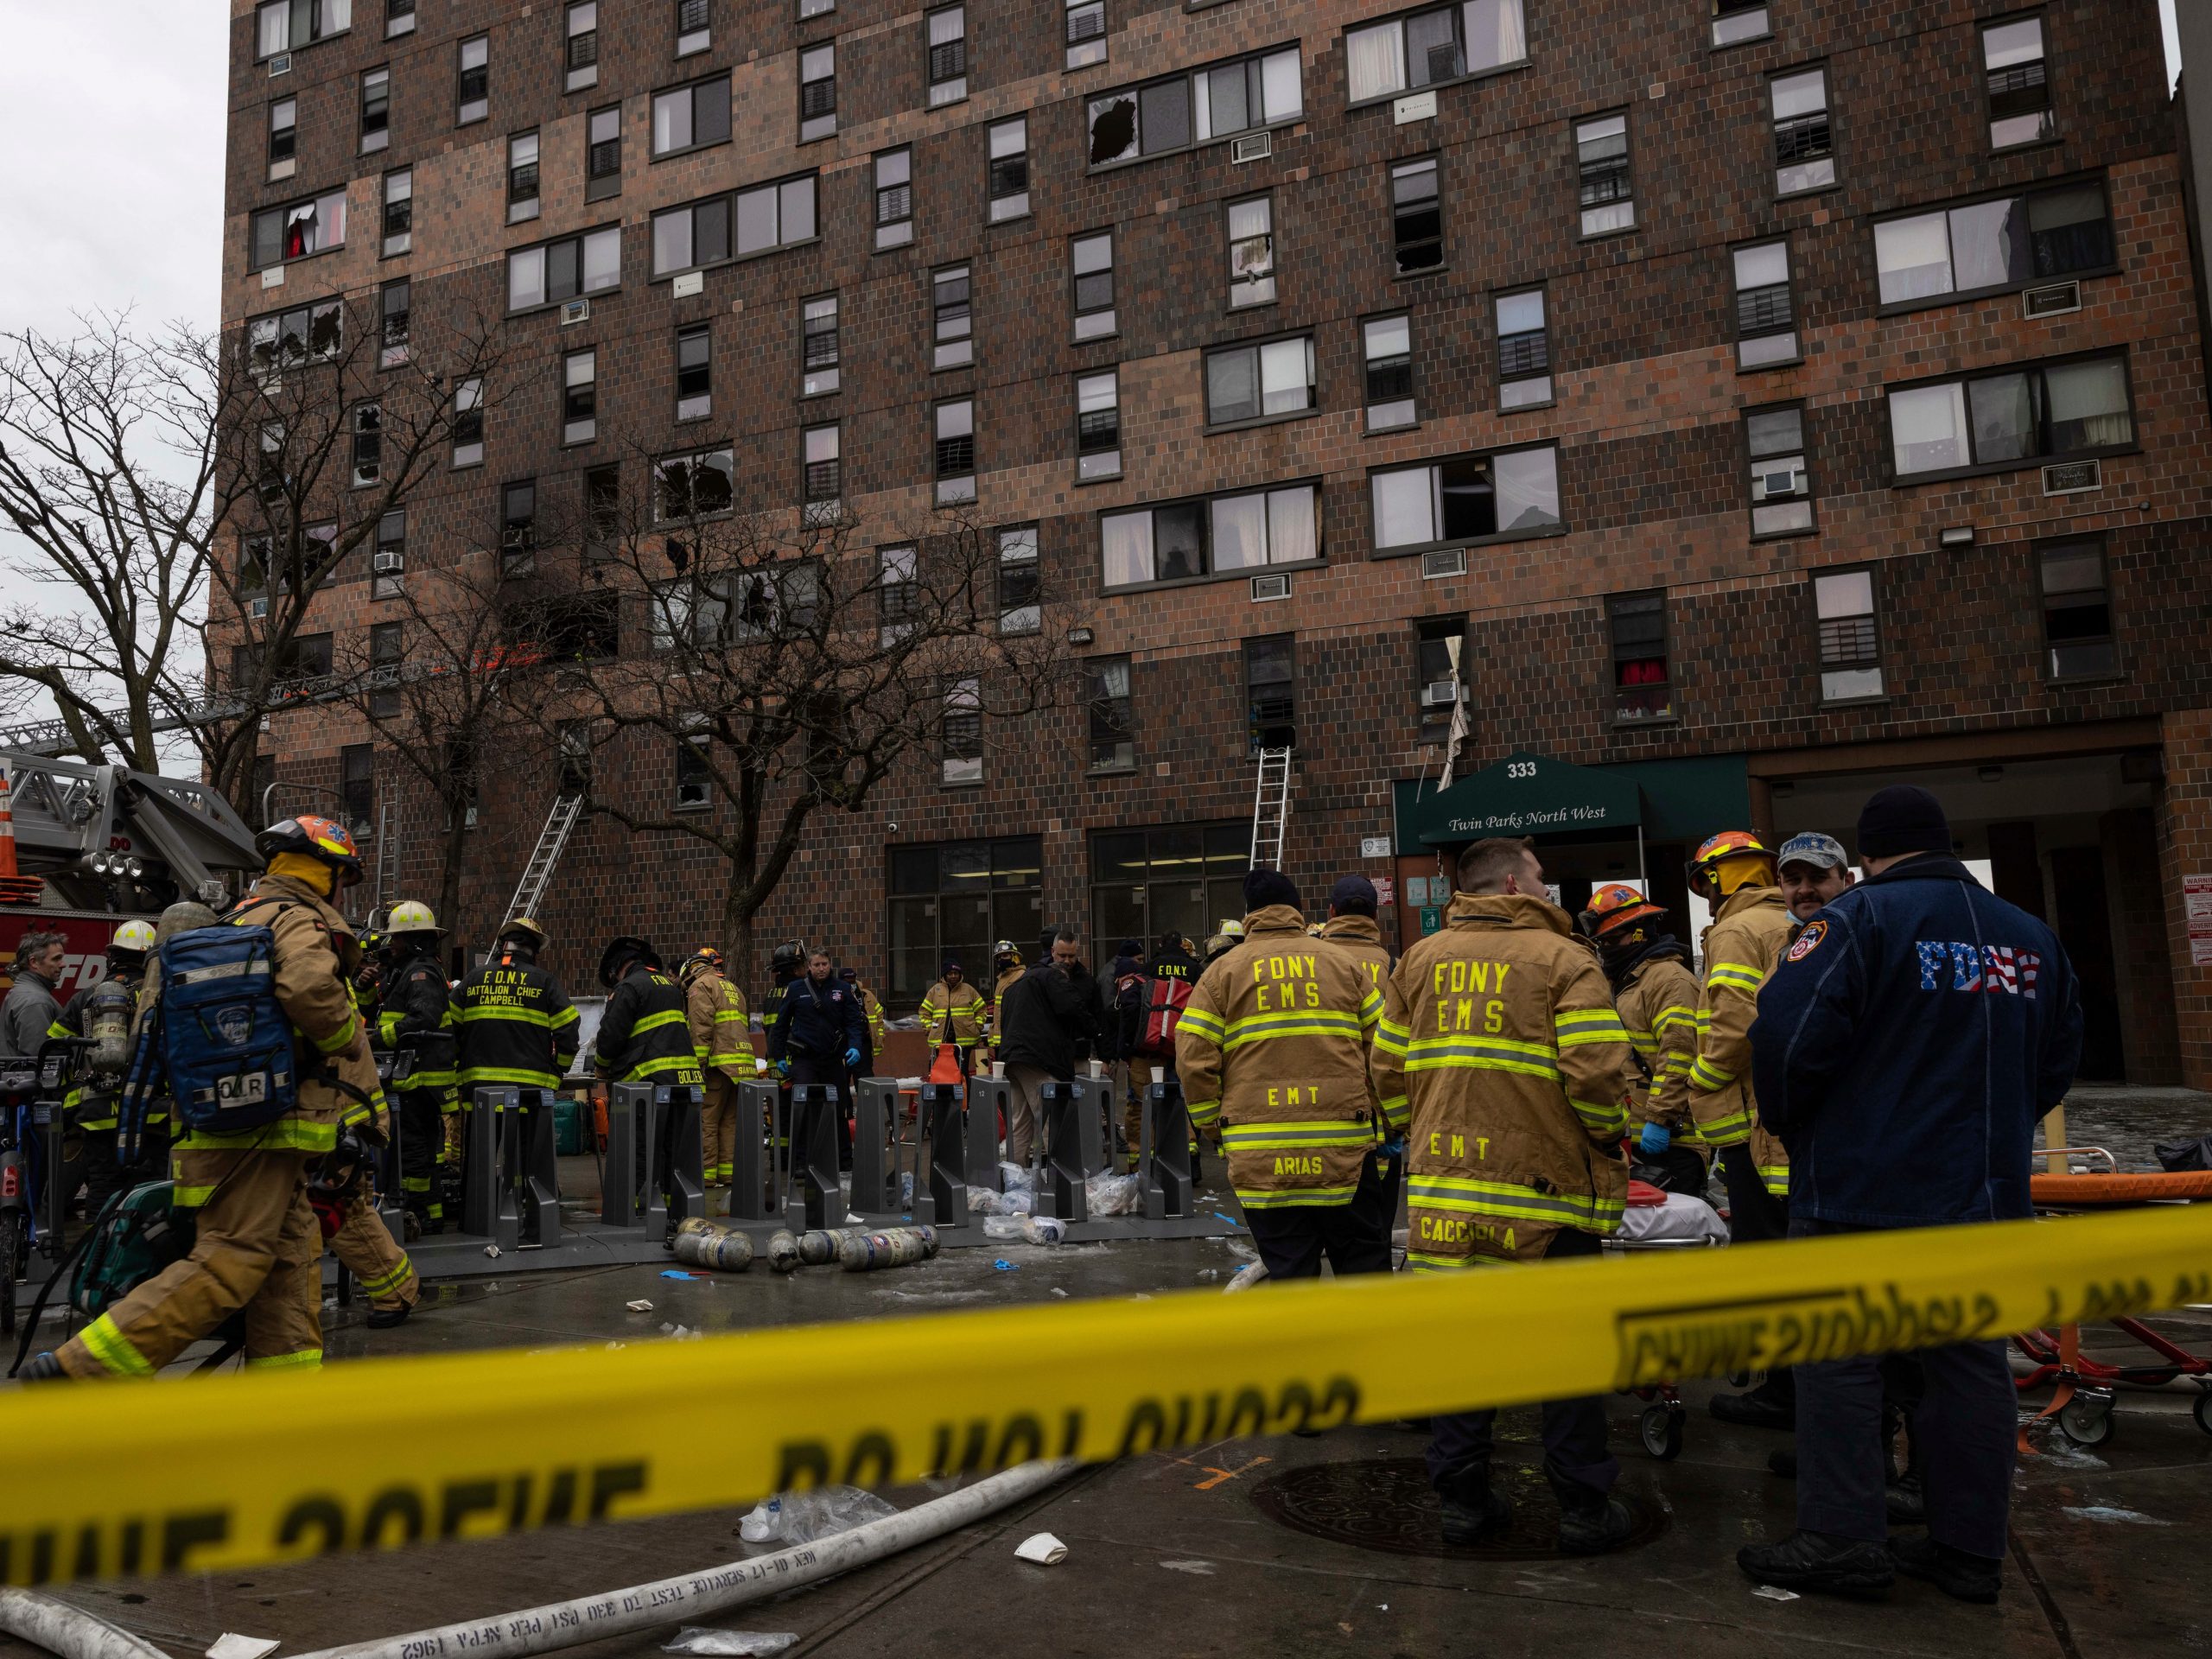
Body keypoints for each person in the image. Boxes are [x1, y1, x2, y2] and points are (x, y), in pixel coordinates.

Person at [1739, 785, 2083, 1603]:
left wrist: (1798, 1131)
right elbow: (2058, 1058)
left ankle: (1841, 1539)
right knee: (1969, 1367)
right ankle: (1968, 1549)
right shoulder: (2030, 938)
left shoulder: (1853, 923)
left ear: (1867, 856)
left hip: (1861, 1190)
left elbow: (1785, 1040)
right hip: (1983, 1194)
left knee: (1839, 1363)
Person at [25, 817, 383, 1380]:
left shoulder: (230, 921)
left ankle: (282, 1409)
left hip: (225, 1124)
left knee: (288, 1268)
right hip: (266, 1128)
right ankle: (80, 1367)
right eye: (345, 877)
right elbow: (312, 992)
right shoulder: (296, 919)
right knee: (229, 1263)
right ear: (327, 872)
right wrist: (343, 1041)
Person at [1371, 836, 1638, 1554]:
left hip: (1445, 1197)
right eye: (1543, 879)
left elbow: (1386, 1066)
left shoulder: (1419, 961)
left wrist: (1415, 1131)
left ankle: (1461, 1500)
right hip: (1548, 1200)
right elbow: (1596, 1075)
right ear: (1516, 885)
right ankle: (1583, 1507)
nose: (1551, 891)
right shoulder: (1565, 960)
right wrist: (1609, 1136)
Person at [1179, 868, 1388, 1280]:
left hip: (1261, 1151)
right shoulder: (1342, 964)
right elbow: (1382, 1050)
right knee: (1364, 1268)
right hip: (1342, 1146)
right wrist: (1386, 1120)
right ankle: (1371, 1343)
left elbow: (1192, 1059)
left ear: (1249, 915)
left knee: (1290, 1271)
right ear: (1297, 911)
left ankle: (1302, 1343)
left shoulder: (1221, 973)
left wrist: (1212, 1127)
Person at [1682, 829, 1798, 1428]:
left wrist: (1697, 1080)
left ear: (1721, 879)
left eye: (1706, 883)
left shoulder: (1735, 931)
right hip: (1794, 1123)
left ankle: (1785, 1393)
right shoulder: (1796, 922)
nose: (1704, 896)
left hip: (1753, 1129)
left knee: (1770, 1262)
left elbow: (1733, 1026)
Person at [1580, 884, 1707, 1197]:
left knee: (1674, 1240)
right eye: (1602, 942)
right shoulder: (1622, 981)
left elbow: (1679, 1055)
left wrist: (1660, 1119)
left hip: (1672, 1141)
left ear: (1640, 933)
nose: (1607, 948)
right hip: (1631, 1137)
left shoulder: (1668, 981)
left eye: (1613, 939)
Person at [1318, 876, 1405, 1244]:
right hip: (1377, 1122)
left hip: (1317, 1116)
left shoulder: (1310, 962)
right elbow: (1398, 1049)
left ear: (1332, 913)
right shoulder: (1393, 966)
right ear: (1375, 915)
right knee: (1372, 1236)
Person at [55, 919, 159, 1222]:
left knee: (102, 1188)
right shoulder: (156, 995)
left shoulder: (86, 996)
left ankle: (97, 1259)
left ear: (112, 956)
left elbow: (54, 1048)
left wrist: (72, 1097)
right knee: (148, 1189)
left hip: (97, 1111)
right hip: (148, 1111)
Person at [594, 937, 705, 1216]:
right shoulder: (669, 985)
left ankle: (637, 1208)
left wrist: (601, 1066)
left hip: (650, 1080)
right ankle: (667, 1207)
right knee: (669, 1147)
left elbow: (610, 1036)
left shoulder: (629, 987)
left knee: (641, 1147)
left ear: (618, 967)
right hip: (683, 1079)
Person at [455, 916, 581, 1158]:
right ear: (534, 950)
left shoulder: (473, 979)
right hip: (528, 1093)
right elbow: (568, 1029)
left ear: (504, 945)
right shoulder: (544, 982)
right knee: (527, 1164)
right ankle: (524, 1194)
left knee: (479, 1163)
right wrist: (560, 1069)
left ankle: (476, 1196)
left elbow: (448, 1027)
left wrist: (458, 1067)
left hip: (482, 1092)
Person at [376, 900, 455, 1236]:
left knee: (414, 1148)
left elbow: (424, 1018)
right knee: (423, 1147)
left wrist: (379, 1038)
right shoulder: (411, 970)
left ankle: (419, 1212)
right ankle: (429, 1213)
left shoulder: (420, 972)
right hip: (417, 1076)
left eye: (396, 939)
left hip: (420, 1078)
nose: (391, 945)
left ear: (413, 941)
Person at [995, 927, 1099, 1167]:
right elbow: (1073, 1008)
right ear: (1053, 952)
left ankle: (1015, 1179)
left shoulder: (1016, 985)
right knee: (1054, 1119)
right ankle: (1060, 1180)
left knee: (1020, 1123)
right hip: (1038, 1060)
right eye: (1063, 956)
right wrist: (1097, 1031)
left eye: (1072, 956)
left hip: (1012, 1059)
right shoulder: (1053, 978)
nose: (1068, 961)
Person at [766, 948, 864, 1166]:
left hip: (832, 1058)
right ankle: (801, 1162)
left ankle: (844, 1161)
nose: (821, 968)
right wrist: (779, 1055)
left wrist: (856, 1046)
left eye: (825, 964)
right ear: (809, 967)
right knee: (803, 1106)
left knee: (838, 1108)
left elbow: (853, 1023)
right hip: (804, 1059)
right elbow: (781, 1025)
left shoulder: (842, 989)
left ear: (830, 965)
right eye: (816, 965)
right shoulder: (795, 989)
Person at [681, 947, 750, 1204]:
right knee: (729, 1121)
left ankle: (707, 1175)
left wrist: (696, 1065)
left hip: (717, 1065)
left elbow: (701, 1028)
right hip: (740, 1064)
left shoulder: (700, 986)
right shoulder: (732, 987)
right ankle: (728, 1173)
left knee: (707, 1120)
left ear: (692, 970)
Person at [1, 928, 66, 1059]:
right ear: (34, 962)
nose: (63, 964)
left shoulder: (25, 992)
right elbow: (38, 1061)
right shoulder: (35, 1001)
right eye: (56, 959)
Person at [918, 957, 988, 1079]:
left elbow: (981, 1009)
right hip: (941, 1039)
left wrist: (978, 1026)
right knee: (942, 1071)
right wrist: (929, 1028)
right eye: (950, 973)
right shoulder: (935, 990)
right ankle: (946, 1096)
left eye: (956, 973)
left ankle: (965, 1097)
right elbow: (924, 1012)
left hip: (965, 1039)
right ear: (945, 975)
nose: (953, 976)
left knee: (962, 1071)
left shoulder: (968, 989)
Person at [1777, 830, 1854, 922]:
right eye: (1794, 880)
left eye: (1818, 877)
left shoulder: (1869, 931)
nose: (1805, 890)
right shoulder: (1773, 935)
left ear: (1848, 882)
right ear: (1781, 886)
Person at [987, 940, 1023, 1069]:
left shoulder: (1021, 976)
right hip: (1001, 1039)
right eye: (1000, 957)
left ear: (1015, 957)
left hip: (1014, 1038)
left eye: (1005, 956)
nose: (1002, 959)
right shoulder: (1002, 979)